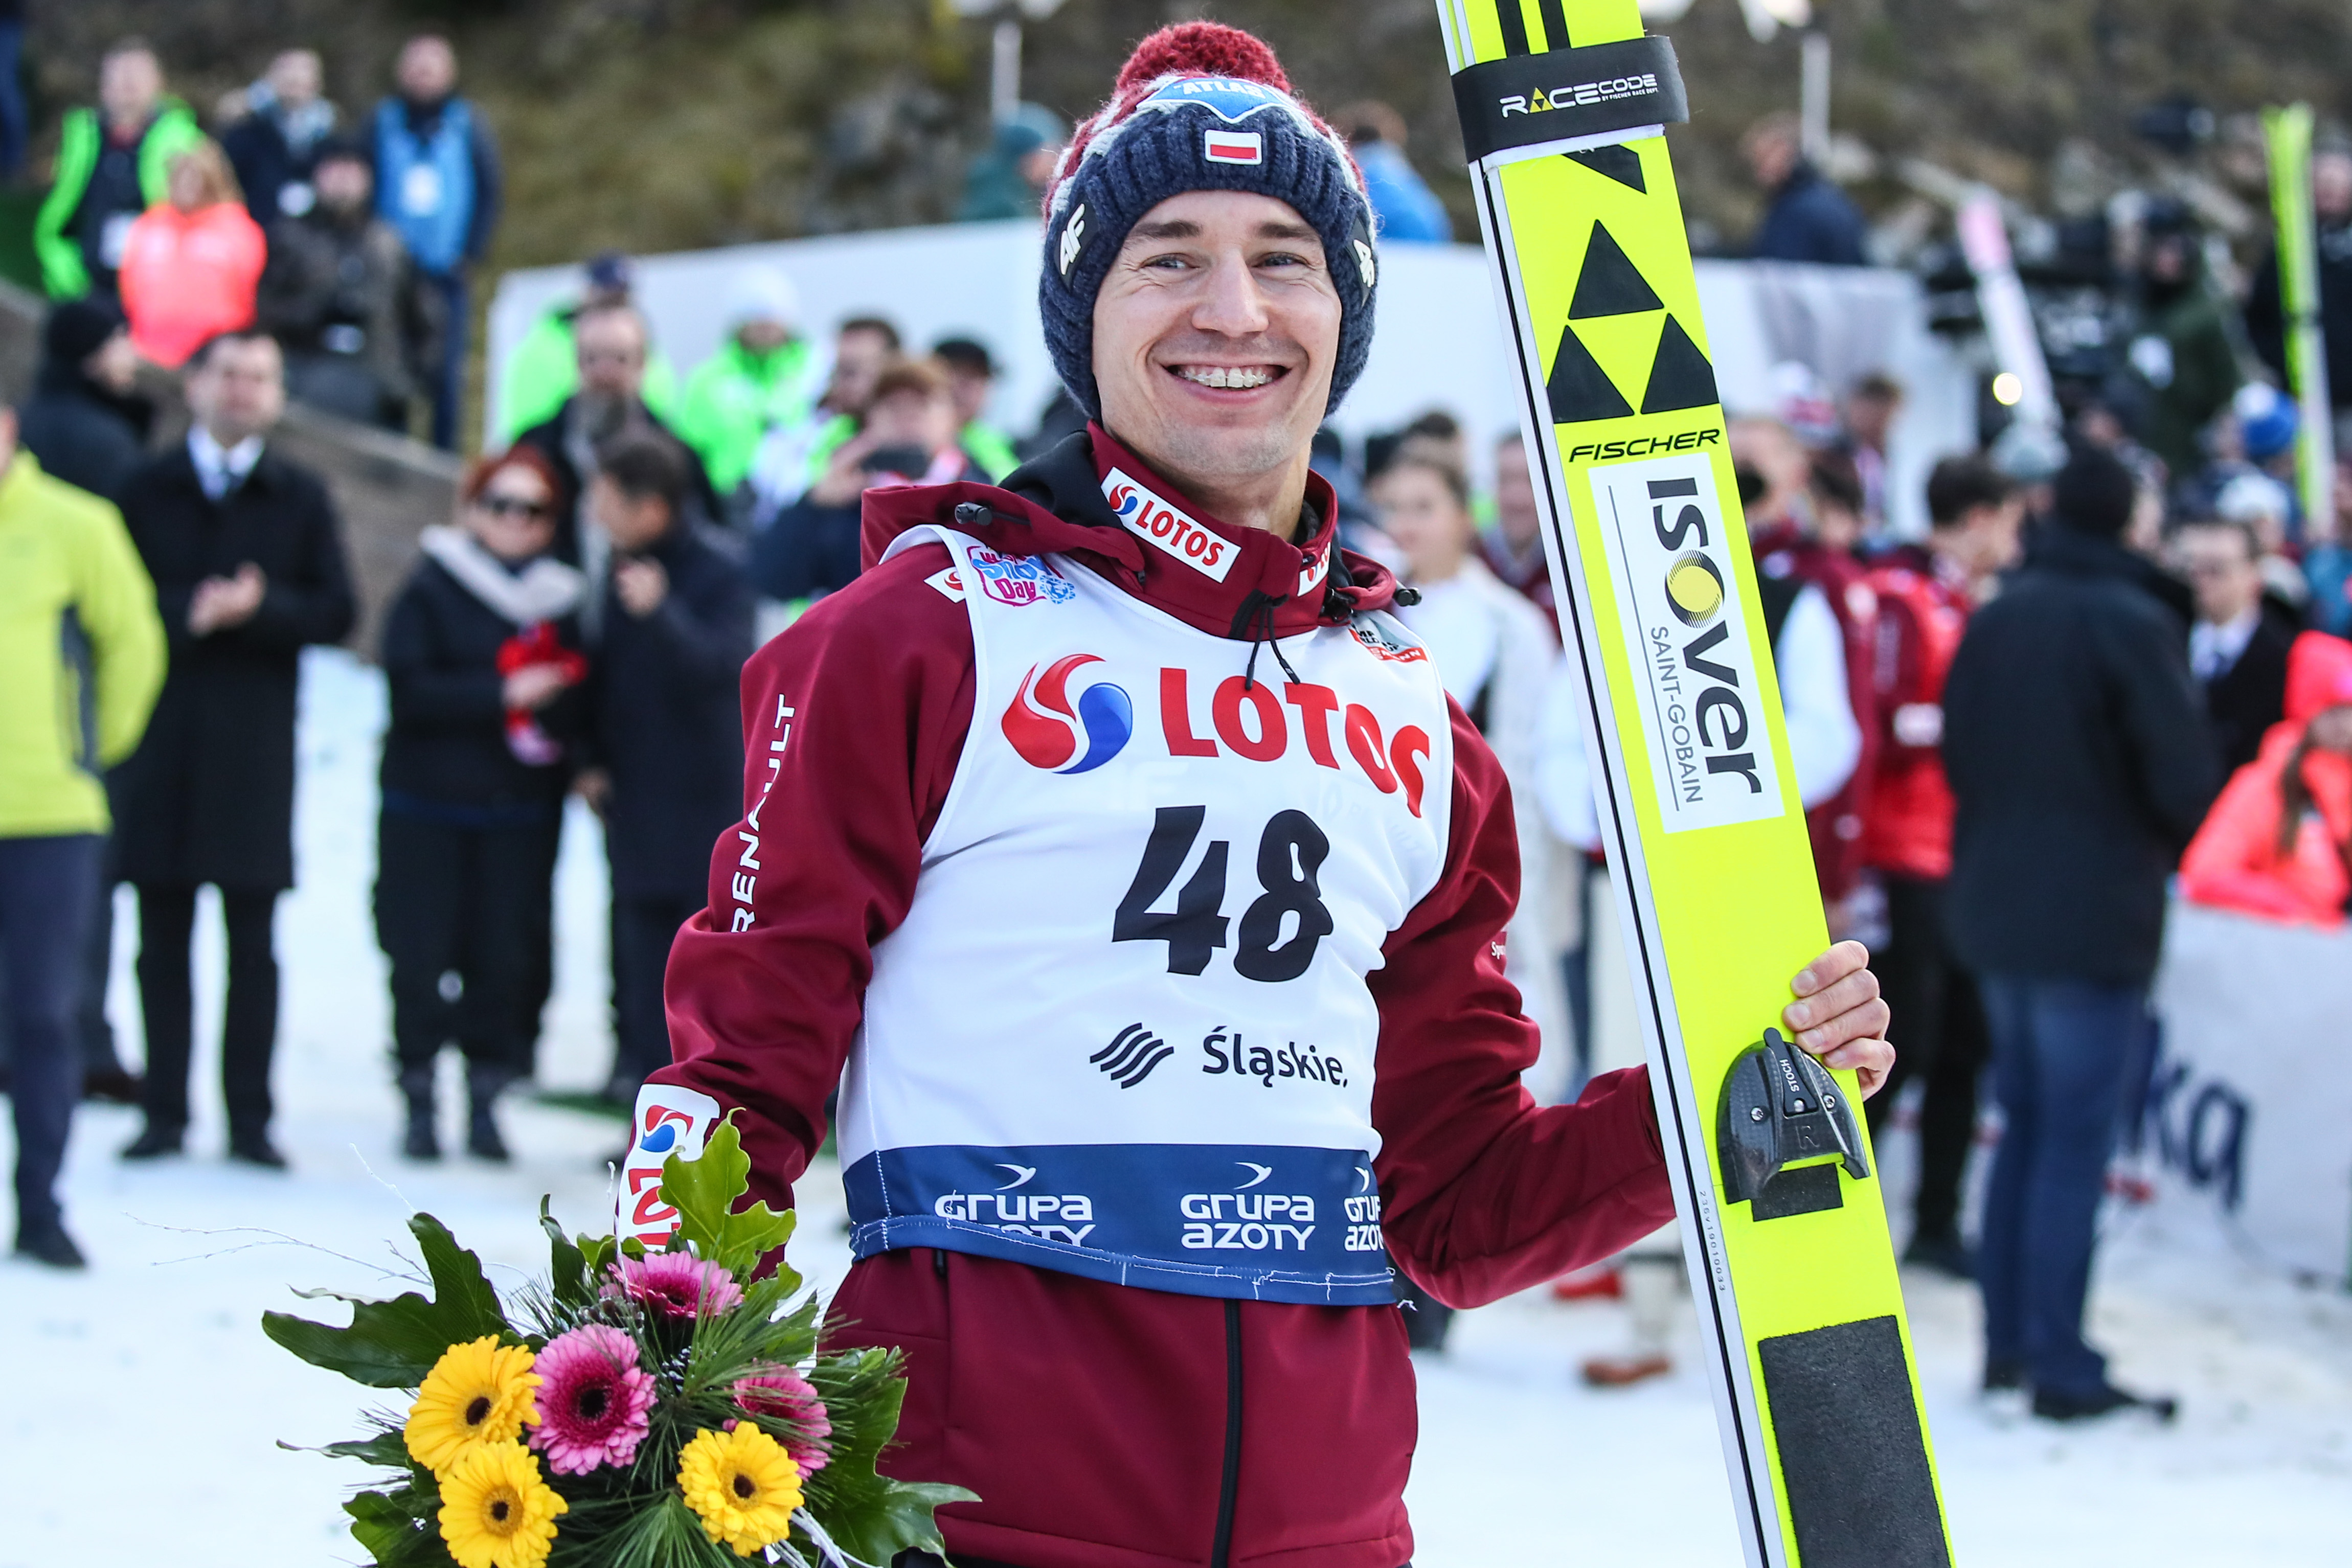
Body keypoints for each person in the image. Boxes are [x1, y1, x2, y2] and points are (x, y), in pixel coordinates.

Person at [636, 23, 1893, 1562]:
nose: (1233, 309)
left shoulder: (1416, 714)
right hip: (970, 1519)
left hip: (1329, 1526)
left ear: (1344, 311)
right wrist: (629, 1407)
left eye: (1284, 259)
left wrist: (1718, 1102)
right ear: (1084, 312)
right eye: (1168, 256)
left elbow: (1453, 1208)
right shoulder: (921, 633)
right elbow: (735, 1080)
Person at [1942, 442, 2216, 1422]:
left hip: (1998, 906)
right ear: (2130, 521)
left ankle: (2010, 1345)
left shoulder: (1999, 614)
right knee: (2067, 1139)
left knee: (2022, 1127)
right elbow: (2184, 780)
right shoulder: (2133, 621)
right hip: (2092, 914)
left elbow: (1959, 752)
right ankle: (2057, 1357)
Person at [112, 330, 356, 1169]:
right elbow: (115, 601)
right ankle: (164, 1112)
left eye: (260, 376)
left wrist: (261, 609)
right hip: (163, 741)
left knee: (253, 943)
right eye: (229, 374)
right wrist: (190, 609)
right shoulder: (144, 486)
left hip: (254, 752)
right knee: (161, 936)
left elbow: (337, 610)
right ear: (194, 384)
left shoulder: (301, 494)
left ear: (279, 394)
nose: (243, 389)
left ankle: (250, 1117)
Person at [1371, 451, 1569, 1355]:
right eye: (1394, 506)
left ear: (1463, 515)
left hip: (1477, 867)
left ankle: (1434, 1275)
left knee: (1457, 1052)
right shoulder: (1360, 614)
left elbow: (1526, 759)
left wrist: (1521, 889)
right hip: (1380, 867)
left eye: (1424, 504)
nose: (1407, 522)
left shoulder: (1511, 624)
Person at [376, 448, 586, 1162]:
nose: (514, 521)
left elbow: (585, 701)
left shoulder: (562, 600)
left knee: (502, 959)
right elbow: (408, 689)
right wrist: (499, 695)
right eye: (500, 504)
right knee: (418, 956)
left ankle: (486, 1099)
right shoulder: (432, 586)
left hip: (517, 812)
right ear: (472, 510)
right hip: (427, 805)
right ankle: (418, 1096)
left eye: (533, 509)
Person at [0, 404, 166, 1267]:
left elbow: (133, 645)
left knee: (41, 1014)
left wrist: (87, 753)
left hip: (50, 815)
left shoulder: (77, 524)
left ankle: (41, 1205)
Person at [1860, 455, 2025, 1280]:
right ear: (1981, 518)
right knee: (1902, 1044)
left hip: (1965, 852)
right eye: (2011, 522)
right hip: (1903, 853)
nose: (2016, 541)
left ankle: (1936, 1219)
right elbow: (1884, 718)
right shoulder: (1901, 594)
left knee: (1966, 1040)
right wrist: (1966, 727)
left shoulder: (1971, 600)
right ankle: (1848, 1217)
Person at [579, 433, 753, 1104]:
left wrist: (662, 613)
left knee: (695, 950)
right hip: (633, 791)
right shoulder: (620, 564)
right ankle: (639, 1082)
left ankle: (697, 1095)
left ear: (650, 506)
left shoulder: (719, 570)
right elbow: (607, 673)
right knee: (634, 945)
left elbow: (723, 667)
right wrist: (590, 757)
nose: (595, 512)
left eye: (606, 499)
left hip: (701, 799)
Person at [17, 298, 158, 1107]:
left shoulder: (45, 424)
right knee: (78, 896)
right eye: (119, 342)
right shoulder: (104, 445)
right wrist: (101, 737)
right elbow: (127, 621)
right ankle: (84, 1040)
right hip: (69, 720)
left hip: (42, 720)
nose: (133, 356)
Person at [1734, 416, 1877, 914]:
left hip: (1796, 837)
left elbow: (1847, 727)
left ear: (1794, 473)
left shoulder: (1820, 577)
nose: (1736, 469)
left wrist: (1835, 864)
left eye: (1753, 459)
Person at [751, 356, 988, 604]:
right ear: (870, 419)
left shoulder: (979, 494)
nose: (908, 416)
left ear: (952, 417)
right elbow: (773, 581)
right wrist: (814, 505)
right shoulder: (849, 496)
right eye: (893, 405)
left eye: (922, 403)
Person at [512, 301, 719, 574]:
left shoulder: (678, 459)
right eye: (592, 359)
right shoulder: (536, 448)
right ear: (576, 362)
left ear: (643, 364)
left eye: (620, 359)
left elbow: (706, 546)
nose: (605, 372)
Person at [373, 33, 503, 450]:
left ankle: (443, 463)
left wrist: (471, 253)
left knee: (447, 377)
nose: (423, 75)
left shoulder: (468, 123)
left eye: (432, 67)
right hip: (392, 275)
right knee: (391, 368)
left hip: (447, 272)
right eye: (416, 66)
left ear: (450, 73)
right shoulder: (382, 122)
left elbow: (489, 189)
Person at [255, 136, 434, 429]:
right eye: (335, 168)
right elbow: (263, 309)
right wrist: (314, 315)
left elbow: (423, 321)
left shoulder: (390, 245)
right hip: (301, 384)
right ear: (317, 174)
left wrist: (407, 382)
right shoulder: (288, 239)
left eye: (352, 169)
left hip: (380, 391)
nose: (343, 180)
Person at [2179, 630, 2352, 926]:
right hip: (2288, 948)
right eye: (2334, 711)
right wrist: (2291, 909)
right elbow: (2206, 873)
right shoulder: (2265, 786)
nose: (2347, 725)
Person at [34, 38, 205, 303]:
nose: (129, 83)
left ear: (158, 82)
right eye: (121, 74)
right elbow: (58, 218)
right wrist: (66, 273)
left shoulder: (185, 141)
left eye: (137, 74)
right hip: (87, 288)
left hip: (156, 293)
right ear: (104, 85)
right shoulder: (82, 138)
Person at [497, 251, 679, 443]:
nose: (606, 372)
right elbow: (530, 430)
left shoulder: (652, 351)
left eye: (620, 299)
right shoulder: (541, 352)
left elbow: (661, 417)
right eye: (606, 299)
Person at [117, 141, 267, 370]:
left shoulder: (238, 230)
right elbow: (128, 286)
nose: (186, 187)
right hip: (148, 347)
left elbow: (247, 291)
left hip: (213, 352)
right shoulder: (149, 225)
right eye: (180, 178)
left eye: (194, 179)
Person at [673, 267, 821, 501]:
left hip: (805, 500)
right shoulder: (707, 380)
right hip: (726, 503)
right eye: (754, 317)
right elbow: (685, 452)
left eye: (772, 317)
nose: (765, 326)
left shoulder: (816, 371)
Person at [2122, 204, 2242, 479]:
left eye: (2175, 255)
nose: (2167, 262)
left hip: (2187, 427)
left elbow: (2226, 378)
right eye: (2162, 253)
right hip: (2143, 420)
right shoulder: (2141, 304)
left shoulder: (2205, 312)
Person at [742, 314, 902, 518]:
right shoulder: (815, 423)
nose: (840, 381)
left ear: (892, 370)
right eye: (836, 369)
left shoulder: (904, 443)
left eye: (852, 370)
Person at [2174, 514, 2296, 777]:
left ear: (2254, 574)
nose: (2200, 580)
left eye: (2216, 569)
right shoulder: (2168, 638)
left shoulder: (2286, 654)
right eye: (2192, 568)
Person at [2244, 146, 2352, 440]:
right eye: (2323, 182)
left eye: (2338, 182)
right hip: (2299, 396)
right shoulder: (2287, 247)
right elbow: (2258, 315)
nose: (2330, 191)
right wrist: (2283, 364)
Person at [18, 298, 153, 503]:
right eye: (121, 339)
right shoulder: (110, 443)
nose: (134, 357)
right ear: (91, 353)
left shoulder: (21, 419)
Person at [221, 48, 337, 231]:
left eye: (301, 76)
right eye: (288, 75)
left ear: (317, 84)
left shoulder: (332, 134)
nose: (294, 80)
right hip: (257, 230)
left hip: (317, 235)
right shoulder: (247, 130)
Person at [1742, 112, 1866, 266]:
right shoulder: (1828, 198)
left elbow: (1781, 268)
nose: (1758, 173)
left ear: (1783, 151)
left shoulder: (1798, 210)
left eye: (1762, 159)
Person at [1336, 100, 1452, 243]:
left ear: (1349, 137)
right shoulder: (1398, 166)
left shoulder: (1357, 169)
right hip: (1433, 246)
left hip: (1391, 247)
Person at [1480, 430, 1560, 638]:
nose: (1517, 497)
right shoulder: (1472, 561)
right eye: (1506, 480)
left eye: (1530, 481)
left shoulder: (1573, 565)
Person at [957, 103, 1064, 222]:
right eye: (1051, 154)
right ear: (1029, 157)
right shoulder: (1001, 205)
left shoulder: (1013, 191)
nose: (1055, 161)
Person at [933, 336, 1020, 481]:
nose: (967, 390)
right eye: (959, 376)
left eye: (980, 378)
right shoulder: (908, 439)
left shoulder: (996, 442)